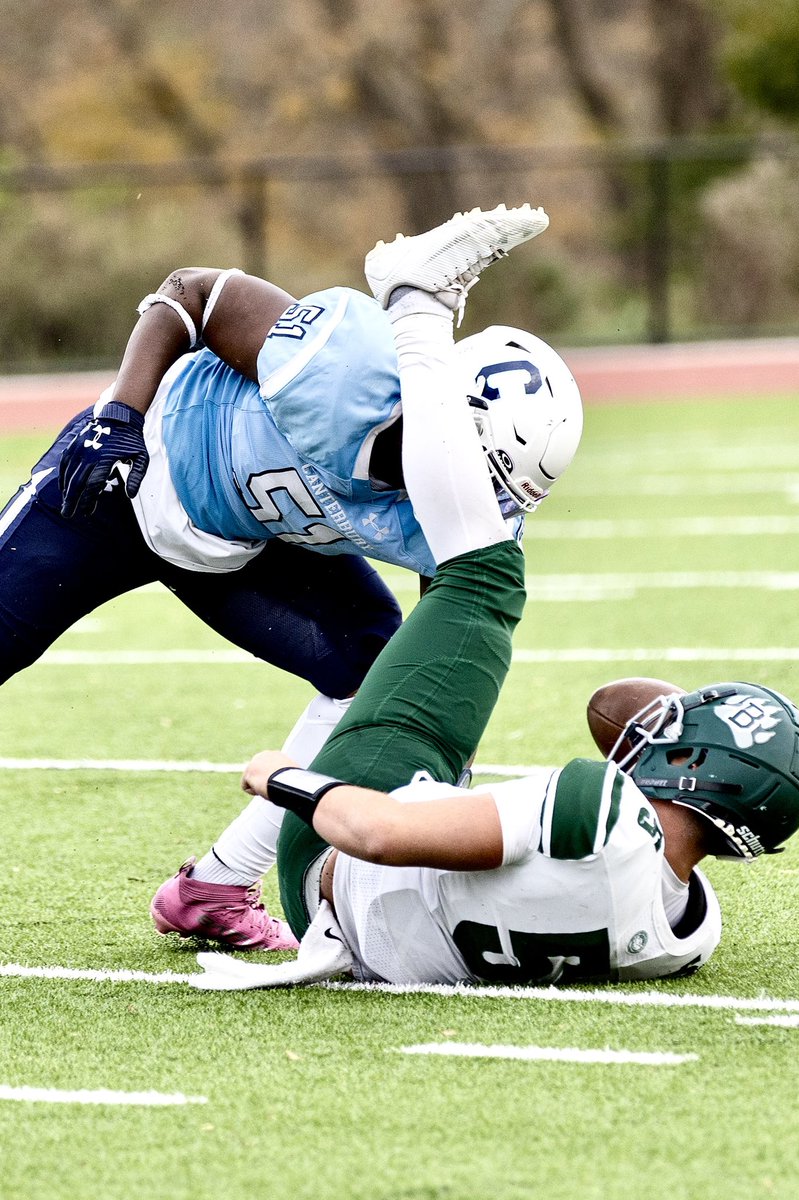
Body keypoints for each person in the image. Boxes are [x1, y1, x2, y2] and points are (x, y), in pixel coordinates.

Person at [152, 212, 799, 991]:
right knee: (456, 674)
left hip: (333, 855)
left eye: (688, 726)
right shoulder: (685, 935)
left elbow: (379, 831)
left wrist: (284, 778)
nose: (670, 715)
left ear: (698, 767)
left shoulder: (595, 811)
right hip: (361, 938)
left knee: (484, 574)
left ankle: (417, 307)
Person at [2, 202, 582, 948]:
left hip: (243, 547)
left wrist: (434, 777)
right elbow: (192, 292)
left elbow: (435, 673)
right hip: (127, 477)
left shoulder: (473, 517)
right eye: (479, 472)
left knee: (373, 671)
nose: (483, 496)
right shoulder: (347, 373)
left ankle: (213, 885)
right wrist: (118, 411)